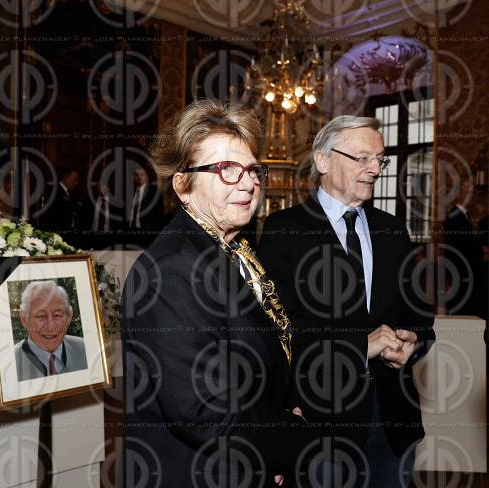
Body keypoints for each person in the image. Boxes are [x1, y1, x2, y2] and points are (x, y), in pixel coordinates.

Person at [121, 100, 304, 488]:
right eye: (226, 170)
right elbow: (202, 413)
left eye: (253, 170)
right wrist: (290, 436)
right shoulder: (170, 273)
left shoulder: (236, 251)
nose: (249, 182)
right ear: (182, 185)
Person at [258, 115, 435, 487]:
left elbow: (420, 317)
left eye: (380, 159)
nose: (375, 169)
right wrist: (358, 347)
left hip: (393, 421)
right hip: (322, 423)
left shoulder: (392, 230)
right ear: (322, 161)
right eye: (362, 158)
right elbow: (279, 334)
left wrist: (412, 343)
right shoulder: (284, 231)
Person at [14, 280, 87, 381]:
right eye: (41, 316)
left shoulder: (86, 349)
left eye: (57, 315)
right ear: (24, 319)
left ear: (69, 316)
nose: (50, 326)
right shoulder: (10, 362)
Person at [442, 180, 486, 318]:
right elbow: (453, 252)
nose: (472, 196)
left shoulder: (464, 215)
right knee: (463, 316)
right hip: (463, 278)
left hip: (468, 276)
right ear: (461, 194)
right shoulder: (454, 217)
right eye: (469, 193)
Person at [36, 169, 83, 246]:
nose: (76, 183)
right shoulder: (53, 190)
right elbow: (51, 214)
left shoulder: (72, 194)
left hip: (69, 234)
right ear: (66, 177)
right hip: (57, 234)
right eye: (74, 180)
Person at [125, 164, 164, 247]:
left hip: (147, 237)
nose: (139, 177)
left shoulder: (154, 192)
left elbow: (159, 216)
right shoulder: (129, 193)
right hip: (130, 235)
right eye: (136, 175)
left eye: (142, 174)